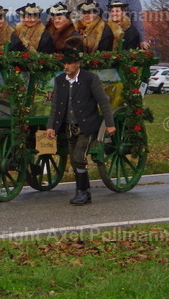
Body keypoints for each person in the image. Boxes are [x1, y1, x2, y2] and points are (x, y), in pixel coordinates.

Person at [46, 39, 116, 205]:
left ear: (77, 64)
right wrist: (51, 126)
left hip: (86, 125)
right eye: (65, 64)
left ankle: (82, 192)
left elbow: (103, 102)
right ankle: (85, 192)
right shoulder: (60, 81)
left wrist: (110, 123)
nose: (66, 67)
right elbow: (56, 105)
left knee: (79, 157)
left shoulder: (90, 79)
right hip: (69, 127)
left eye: (70, 64)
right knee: (73, 158)